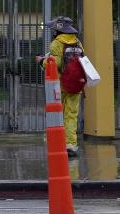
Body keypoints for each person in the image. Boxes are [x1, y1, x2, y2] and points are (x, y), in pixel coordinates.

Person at [37, 16, 84, 158]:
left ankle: (58, 141)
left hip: (60, 84)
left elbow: (54, 63)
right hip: (76, 84)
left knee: (58, 113)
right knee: (72, 114)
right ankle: (71, 144)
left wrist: (42, 61)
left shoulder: (57, 43)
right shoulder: (77, 43)